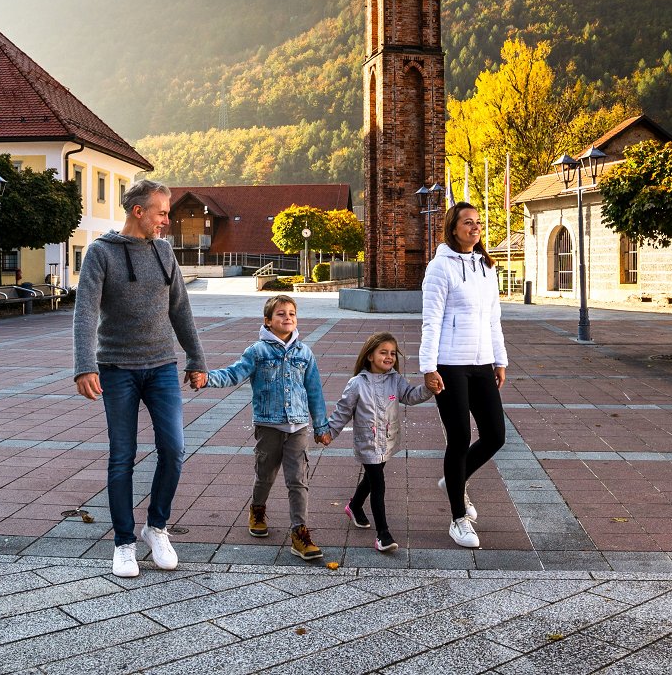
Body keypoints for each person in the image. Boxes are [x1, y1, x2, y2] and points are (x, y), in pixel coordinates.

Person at [73, 178, 207, 579]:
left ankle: (156, 527)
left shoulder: (165, 252)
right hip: (116, 369)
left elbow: (180, 310)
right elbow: (85, 313)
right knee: (122, 457)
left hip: (162, 366)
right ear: (139, 211)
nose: (166, 220)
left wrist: (196, 359)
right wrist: (85, 365)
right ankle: (124, 543)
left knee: (174, 449)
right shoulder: (100, 253)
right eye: (162, 212)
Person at [203, 295, 332, 561]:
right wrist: (207, 378)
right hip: (268, 426)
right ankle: (258, 509)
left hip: (298, 427)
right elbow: (233, 374)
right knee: (265, 475)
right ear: (268, 321)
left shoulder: (304, 353)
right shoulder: (257, 352)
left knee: (298, 481)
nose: (288, 318)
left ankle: (299, 532)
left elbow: (315, 391)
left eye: (292, 313)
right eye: (281, 314)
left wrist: (321, 426)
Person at [418, 201, 507, 549]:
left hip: (482, 362)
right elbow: (431, 320)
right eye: (467, 223)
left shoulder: (487, 266)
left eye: (478, 223)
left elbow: (493, 319)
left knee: (495, 435)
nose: (475, 228)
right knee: (458, 439)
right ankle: (458, 518)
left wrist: (500, 360)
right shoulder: (440, 268)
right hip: (450, 365)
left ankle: (454, 479)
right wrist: (429, 367)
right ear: (453, 228)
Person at [320, 331, 432, 552]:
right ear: (370, 355)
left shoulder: (395, 380)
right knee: (378, 483)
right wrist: (329, 432)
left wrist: (429, 388)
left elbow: (410, 395)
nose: (389, 357)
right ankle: (383, 534)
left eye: (392, 353)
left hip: (387, 440)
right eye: (383, 352)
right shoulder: (356, 384)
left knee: (372, 479)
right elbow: (343, 412)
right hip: (368, 442)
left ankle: (354, 506)